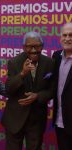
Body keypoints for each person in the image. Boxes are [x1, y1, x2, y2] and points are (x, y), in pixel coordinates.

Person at [1, 31, 55, 150]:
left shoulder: (50, 63)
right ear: (24, 47)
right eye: (30, 46)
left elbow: (52, 90)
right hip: (15, 119)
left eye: (38, 46)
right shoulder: (14, 62)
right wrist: (22, 74)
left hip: (36, 120)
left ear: (42, 46)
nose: (34, 50)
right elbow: (8, 89)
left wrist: (37, 96)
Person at [52, 22, 72, 150]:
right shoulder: (56, 56)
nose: (67, 38)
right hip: (60, 121)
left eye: (71, 35)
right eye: (64, 35)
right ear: (60, 38)